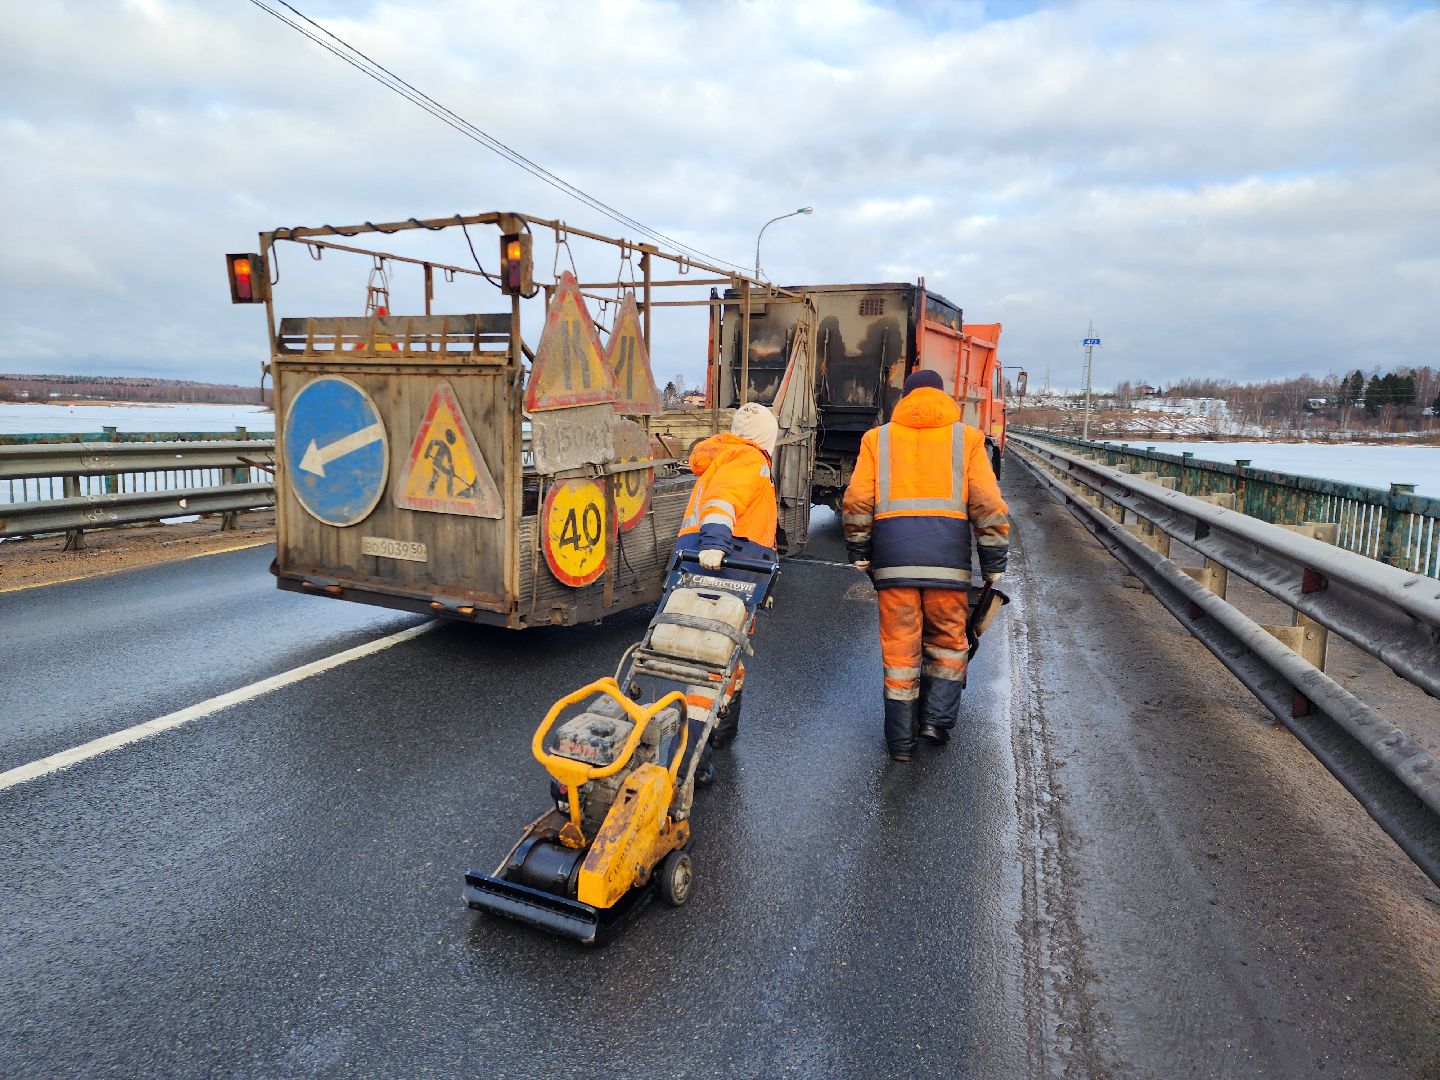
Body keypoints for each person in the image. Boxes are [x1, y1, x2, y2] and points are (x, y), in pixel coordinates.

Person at [841, 369, 1010, 762]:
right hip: (949, 568)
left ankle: (900, 743)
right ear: (943, 397)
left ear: (906, 398)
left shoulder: (877, 439)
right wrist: (993, 561)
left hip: (892, 566)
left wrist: (859, 549)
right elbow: (988, 503)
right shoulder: (966, 439)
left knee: (900, 653)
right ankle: (936, 722)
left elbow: (857, 500)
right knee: (949, 643)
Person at [673, 402, 780, 781]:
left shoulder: (724, 456)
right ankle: (688, 763)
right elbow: (723, 501)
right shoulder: (749, 459)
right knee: (710, 665)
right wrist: (715, 543)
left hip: (708, 567)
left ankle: (721, 731)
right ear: (768, 436)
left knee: (724, 655)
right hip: (728, 567)